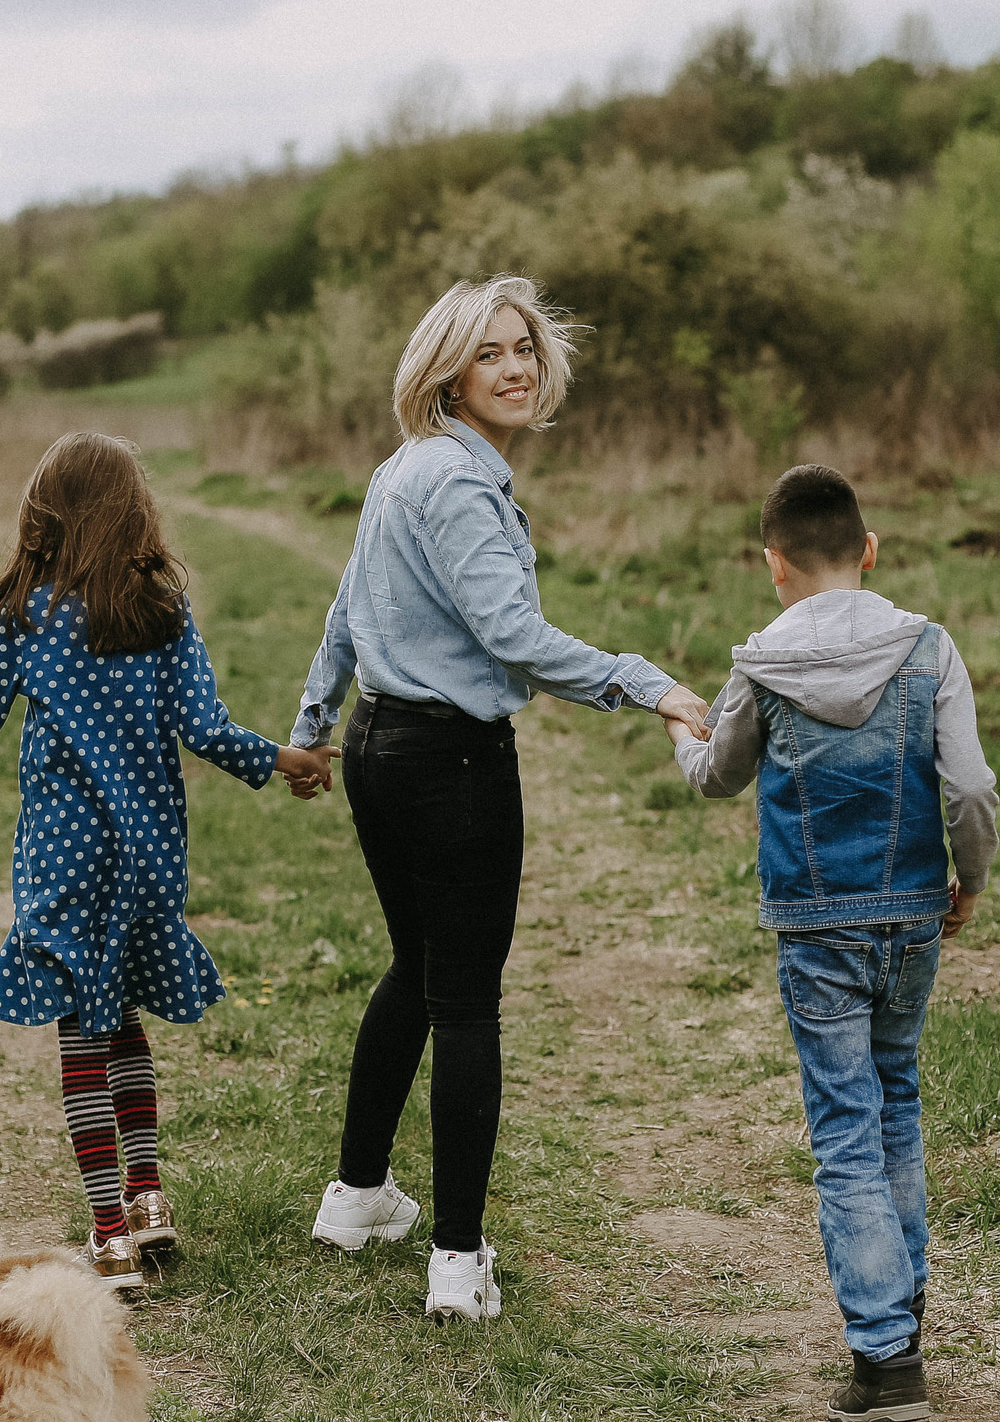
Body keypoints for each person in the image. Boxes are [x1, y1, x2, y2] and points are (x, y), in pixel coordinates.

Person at [291, 276, 716, 1323]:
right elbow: (512, 635)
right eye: (489, 353)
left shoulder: (402, 471)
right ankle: (456, 1263)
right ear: (447, 371)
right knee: (464, 995)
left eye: (523, 346)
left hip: (380, 747)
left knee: (417, 964)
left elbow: (347, 612)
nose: (516, 366)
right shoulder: (458, 485)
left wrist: (312, 726)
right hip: (451, 766)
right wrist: (645, 680)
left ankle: (355, 1197)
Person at [0, 432, 332, 1279]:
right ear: (136, 515)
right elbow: (205, 729)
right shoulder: (161, 615)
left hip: (62, 859)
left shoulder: (26, 624)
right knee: (123, 1018)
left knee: (82, 1035)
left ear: (45, 517)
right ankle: (148, 1194)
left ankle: (108, 1233)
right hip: (148, 855)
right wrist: (289, 761)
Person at [664, 464, 998, 1422]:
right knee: (898, 1099)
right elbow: (970, 788)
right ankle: (904, 1309)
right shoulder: (929, 650)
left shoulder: (762, 664)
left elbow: (718, 777)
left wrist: (684, 731)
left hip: (816, 928)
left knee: (845, 1128)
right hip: (910, 915)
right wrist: (967, 879)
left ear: (774, 565)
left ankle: (885, 1359)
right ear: (871, 550)